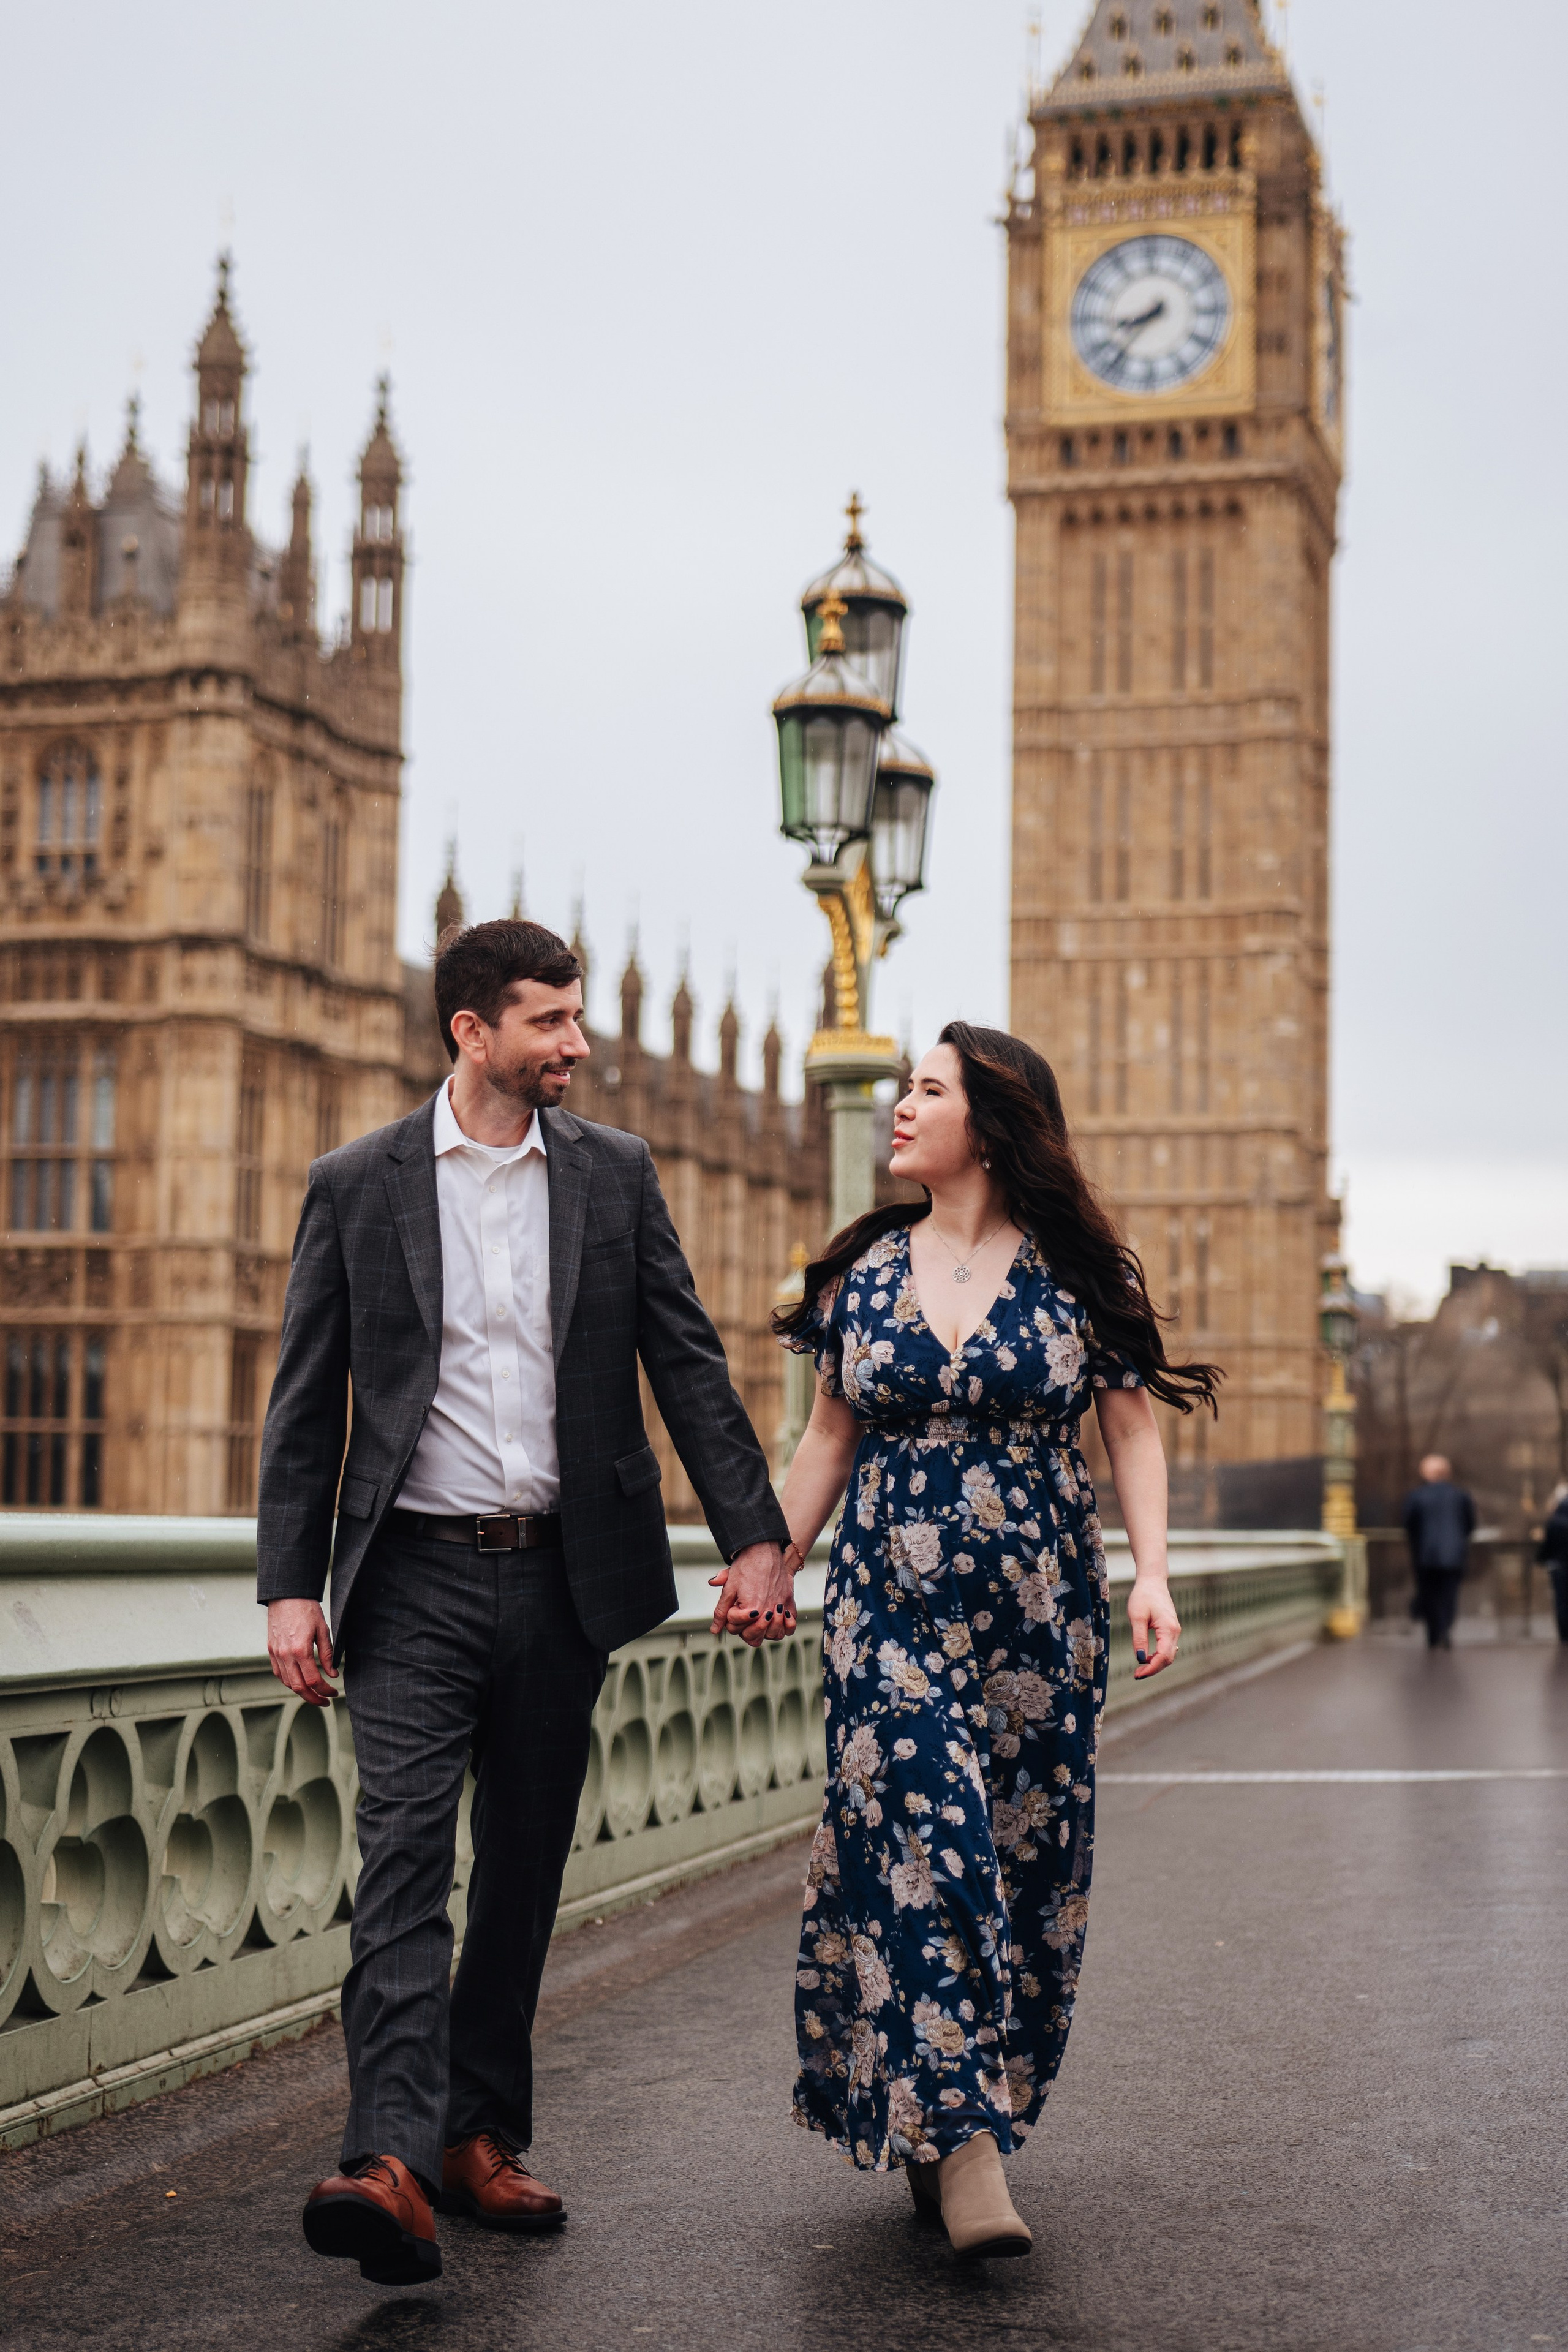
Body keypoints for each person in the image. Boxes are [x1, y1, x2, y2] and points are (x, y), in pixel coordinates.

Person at [257, 918, 793, 2286]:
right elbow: (305, 1400)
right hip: (413, 1573)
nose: (576, 1043)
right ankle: (382, 2154)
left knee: (518, 1877)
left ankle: (473, 2134)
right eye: (550, 1022)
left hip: (563, 1570)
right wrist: (286, 1588)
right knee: (399, 1865)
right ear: (471, 1033)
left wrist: (755, 1541)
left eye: (576, 1018)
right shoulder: (356, 1181)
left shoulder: (613, 1172)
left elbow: (685, 1360)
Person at [771, 1023, 1219, 2262]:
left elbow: (1130, 1434)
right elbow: (825, 1442)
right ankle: (967, 2152)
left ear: (994, 1120)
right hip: (887, 1610)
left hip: (1036, 1613)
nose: (900, 1110)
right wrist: (770, 1558)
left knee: (1019, 1865)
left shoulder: (1078, 1276)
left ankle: (944, 2110)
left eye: (926, 1091)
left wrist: (1152, 1579)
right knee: (930, 1843)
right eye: (903, 1088)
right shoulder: (862, 1276)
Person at [1401, 1454, 1476, 1651]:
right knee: (1449, 1595)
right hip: (1454, 1554)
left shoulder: (1417, 1496)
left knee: (1429, 1594)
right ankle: (1445, 1629)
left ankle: (1434, 1633)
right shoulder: (1460, 1495)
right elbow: (1470, 1524)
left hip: (1426, 1555)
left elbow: (1409, 1524)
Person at [1536, 1482, 1568, 1644]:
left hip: (1558, 1566)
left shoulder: (1555, 1521)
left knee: (1561, 1601)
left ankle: (1564, 1634)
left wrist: (1541, 1559)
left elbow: (1548, 1545)